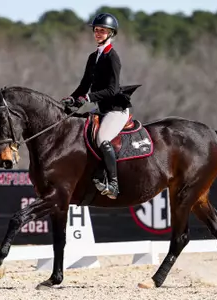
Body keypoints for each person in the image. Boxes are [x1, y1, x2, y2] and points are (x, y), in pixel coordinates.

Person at [61, 12, 131, 200]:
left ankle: (114, 184)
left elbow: (113, 89)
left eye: (103, 31)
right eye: (96, 30)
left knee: (102, 139)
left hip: (115, 110)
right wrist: (73, 99)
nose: (98, 33)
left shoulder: (112, 57)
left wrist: (88, 98)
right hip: (101, 109)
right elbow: (84, 85)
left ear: (111, 33)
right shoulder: (93, 57)